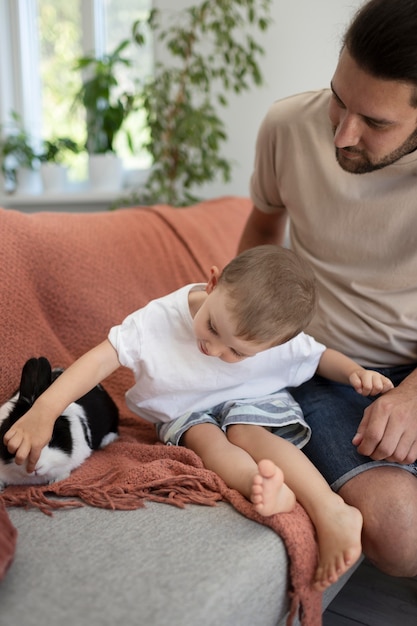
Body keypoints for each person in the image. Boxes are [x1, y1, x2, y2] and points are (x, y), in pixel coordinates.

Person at [3, 245, 393, 589]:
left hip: (252, 399)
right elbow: (99, 360)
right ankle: (266, 487)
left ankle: (331, 510)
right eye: (212, 328)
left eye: (237, 353)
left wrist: (354, 372)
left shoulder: (277, 336)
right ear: (213, 282)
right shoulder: (157, 321)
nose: (213, 349)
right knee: (207, 442)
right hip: (186, 410)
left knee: (251, 432)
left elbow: (317, 356)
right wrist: (45, 410)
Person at [237, 0, 417, 578]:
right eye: (338, 97)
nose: (342, 133)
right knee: (399, 534)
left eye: (377, 122)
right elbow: (264, 229)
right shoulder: (287, 126)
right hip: (320, 369)